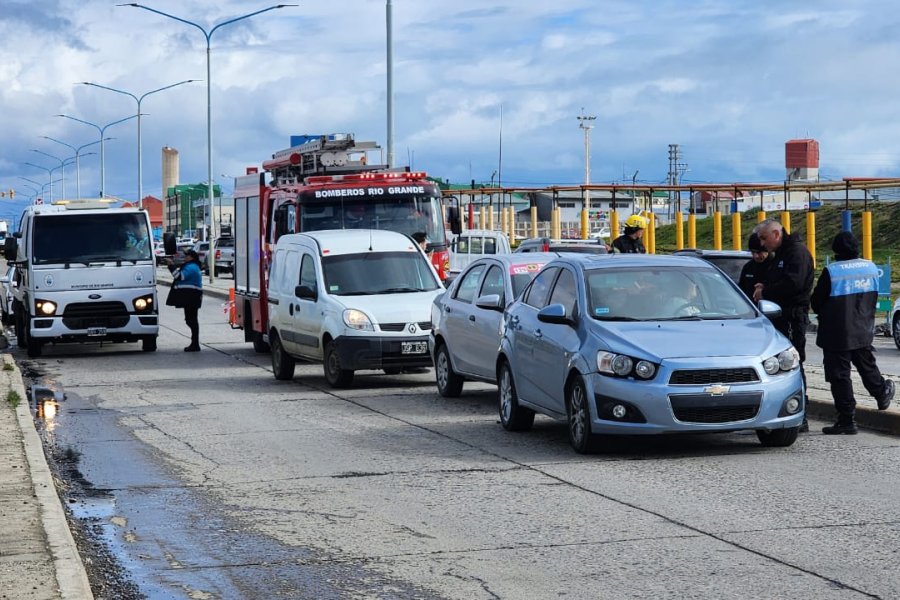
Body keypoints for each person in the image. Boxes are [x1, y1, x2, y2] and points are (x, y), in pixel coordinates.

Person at [811, 231, 894, 434]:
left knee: (839, 376)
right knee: (866, 365)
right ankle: (882, 392)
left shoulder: (832, 271)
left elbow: (816, 301)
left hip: (836, 333)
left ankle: (847, 420)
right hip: (863, 327)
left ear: (836, 250)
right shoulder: (871, 267)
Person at [752, 218, 814, 431]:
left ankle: (800, 414)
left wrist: (766, 292)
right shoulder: (781, 254)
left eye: (764, 238)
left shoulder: (796, 253)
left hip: (792, 316)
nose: (762, 244)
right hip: (779, 316)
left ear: (776, 234)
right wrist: (764, 286)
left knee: (792, 364)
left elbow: (793, 284)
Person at [166, 248, 203, 352]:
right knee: (191, 320)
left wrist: (171, 265)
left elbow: (179, 276)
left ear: (191, 257)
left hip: (191, 296)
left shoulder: (191, 267)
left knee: (192, 320)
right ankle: (194, 343)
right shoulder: (192, 266)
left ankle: (195, 344)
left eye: (186, 255)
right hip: (191, 296)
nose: (184, 257)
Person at [737, 232, 774, 299]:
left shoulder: (776, 266)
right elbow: (741, 290)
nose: (756, 256)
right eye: (753, 252)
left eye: (759, 252)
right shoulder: (748, 267)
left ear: (767, 250)